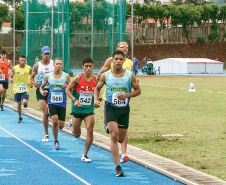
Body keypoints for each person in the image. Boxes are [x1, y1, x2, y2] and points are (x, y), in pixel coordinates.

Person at [94, 50, 141, 177]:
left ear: (124, 60)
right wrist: (96, 99)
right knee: (114, 136)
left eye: (121, 59)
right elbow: (97, 88)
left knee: (121, 138)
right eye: (116, 59)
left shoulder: (129, 75)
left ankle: (109, 128)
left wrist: (127, 95)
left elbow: (138, 90)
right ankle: (117, 167)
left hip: (124, 109)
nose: (118, 61)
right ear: (112, 60)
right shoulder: (106, 75)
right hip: (111, 108)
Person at [97, 41, 133, 163]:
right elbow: (101, 74)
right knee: (113, 131)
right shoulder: (109, 61)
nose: (125, 48)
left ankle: (124, 153)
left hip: (123, 99)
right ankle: (119, 160)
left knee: (121, 133)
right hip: (109, 98)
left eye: (126, 47)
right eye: (122, 47)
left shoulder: (130, 63)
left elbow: (132, 80)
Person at [66, 57, 99, 162]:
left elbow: (97, 92)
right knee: (76, 135)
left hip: (89, 109)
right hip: (77, 109)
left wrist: (98, 100)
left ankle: (85, 154)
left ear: (93, 66)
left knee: (90, 129)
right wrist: (74, 100)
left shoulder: (95, 79)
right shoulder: (78, 78)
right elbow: (67, 90)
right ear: (83, 67)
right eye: (86, 66)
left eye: (90, 66)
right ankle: (73, 121)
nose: (88, 68)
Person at [40, 57, 70, 150]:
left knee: (60, 126)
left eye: (60, 64)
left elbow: (72, 88)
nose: (58, 65)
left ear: (62, 65)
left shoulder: (66, 76)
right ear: (53, 65)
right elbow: (41, 87)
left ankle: (64, 123)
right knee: (55, 121)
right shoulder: (48, 76)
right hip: (52, 102)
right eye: (57, 64)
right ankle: (56, 141)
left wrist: (67, 87)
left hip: (62, 103)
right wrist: (42, 92)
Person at [30, 46, 54, 142]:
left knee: (52, 114)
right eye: (45, 54)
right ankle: (46, 134)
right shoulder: (37, 65)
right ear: (41, 54)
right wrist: (35, 84)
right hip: (41, 90)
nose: (46, 55)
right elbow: (31, 77)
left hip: (52, 90)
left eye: (48, 53)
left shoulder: (53, 64)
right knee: (45, 112)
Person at [9, 55, 33, 123]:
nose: (23, 62)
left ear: (25, 61)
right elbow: (11, 76)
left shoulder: (28, 68)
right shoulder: (15, 68)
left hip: (26, 87)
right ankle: (20, 117)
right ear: (19, 60)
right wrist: (11, 79)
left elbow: (32, 75)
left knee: (25, 102)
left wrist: (31, 82)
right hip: (17, 88)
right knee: (19, 103)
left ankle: (25, 104)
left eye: (24, 60)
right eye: (21, 60)